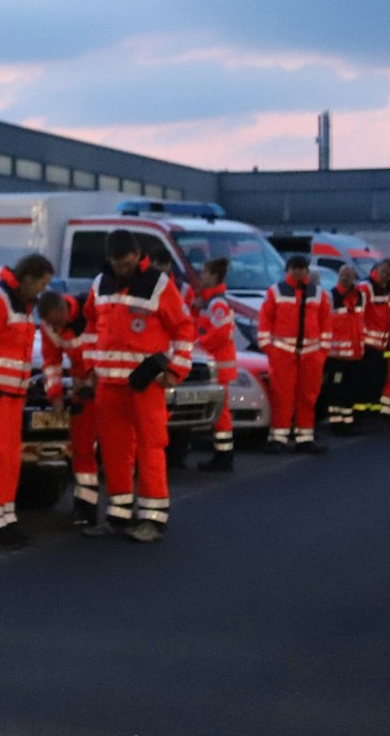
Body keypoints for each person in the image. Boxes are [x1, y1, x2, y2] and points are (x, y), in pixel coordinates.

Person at [85, 230, 195, 543]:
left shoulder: (158, 284)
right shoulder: (100, 284)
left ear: (137, 255)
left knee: (150, 448)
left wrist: (175, 371)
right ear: (110, 259)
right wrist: (90, 367)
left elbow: (184, 328)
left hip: (144, 384)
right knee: (114, 451)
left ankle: (152, 518)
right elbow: (91, 326)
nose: (123, 268)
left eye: (127, 262)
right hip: (109, 384)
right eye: (117, 263)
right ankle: (118, 514)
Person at [0, 255, 56, 546]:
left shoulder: (21, 304)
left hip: (11, 396)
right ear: (27, 278)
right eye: (42, 283)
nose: (43, 290)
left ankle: (5, 519)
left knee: (10, 459)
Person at [257, 254, 333, 454]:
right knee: (282, 396)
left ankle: (304, 438)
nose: (298, 271)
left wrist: (322, 352)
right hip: (283, 353)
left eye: (301, 268)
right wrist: (270, 349)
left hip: (311, 354)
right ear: (288, 270)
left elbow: (326, 323)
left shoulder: (319, 294)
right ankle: (278, 438)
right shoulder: (275, 292)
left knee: (308, 397)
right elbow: (265, 321)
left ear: (307, 271)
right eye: (294, 268)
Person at [38, 289, 100, 528]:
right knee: (82, 450)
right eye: (51, 324)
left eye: (57, 322)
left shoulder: (92, 311)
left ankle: (121, 511)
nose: (56, 328)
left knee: (119, 450)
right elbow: (51, 363)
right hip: (83, 392)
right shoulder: (49, 327)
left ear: (64, 308)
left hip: (108, 387)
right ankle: (86, 508)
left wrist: (95, 380)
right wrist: (55, 395)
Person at [190, 258, 239, 471]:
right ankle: (222, 454)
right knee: (219, 412)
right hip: (216, 366)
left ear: (213, 276)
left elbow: (219, 334)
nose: (201, 276)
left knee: (220, 414)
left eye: (204, 273)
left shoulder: (217, 304)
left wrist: (198, 345)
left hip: (218, 366)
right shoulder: (210, 301)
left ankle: (224, 455)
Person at [324, 264, 368, 434]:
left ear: (353, 277)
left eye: (348, 275)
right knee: (336, 389)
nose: (345, 278)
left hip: (355, 354)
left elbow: (362, 321)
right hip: (337, 356)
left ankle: (348, 421)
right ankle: (336, 422)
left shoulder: (360, 296)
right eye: (342, 275)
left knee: (350, 389)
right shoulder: (331, 296)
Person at [356, 258, 390, 423]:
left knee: (377, 380)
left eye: (389, 274)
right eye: (383, 272)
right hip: (368, 343)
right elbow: (359, 315)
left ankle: (372, 412)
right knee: (366, 380)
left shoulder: (384, 289)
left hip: (380, 344)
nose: (385, 275)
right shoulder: (365, 288)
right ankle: (361, 414)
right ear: (376, 269)